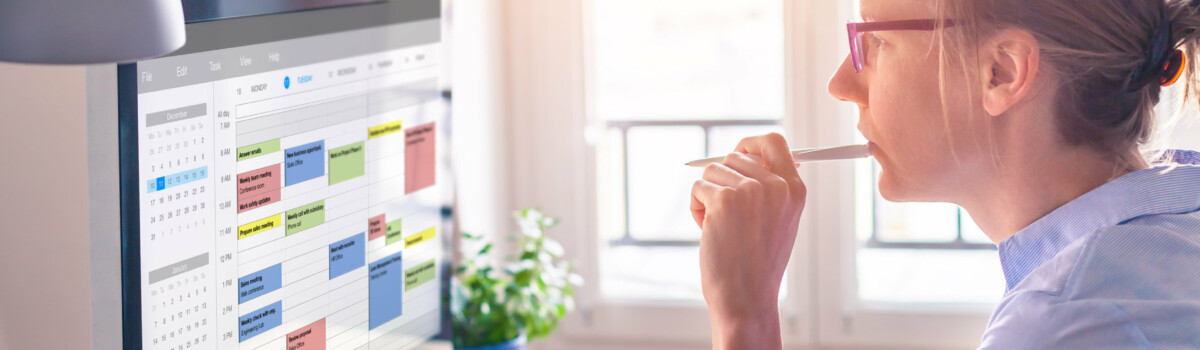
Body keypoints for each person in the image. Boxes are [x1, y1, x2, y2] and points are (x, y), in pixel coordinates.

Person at [689, 0, 1200, 348]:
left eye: (875, 43)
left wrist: (744, 314)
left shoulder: (1063, 323)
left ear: (1001, 71)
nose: (840, 83)